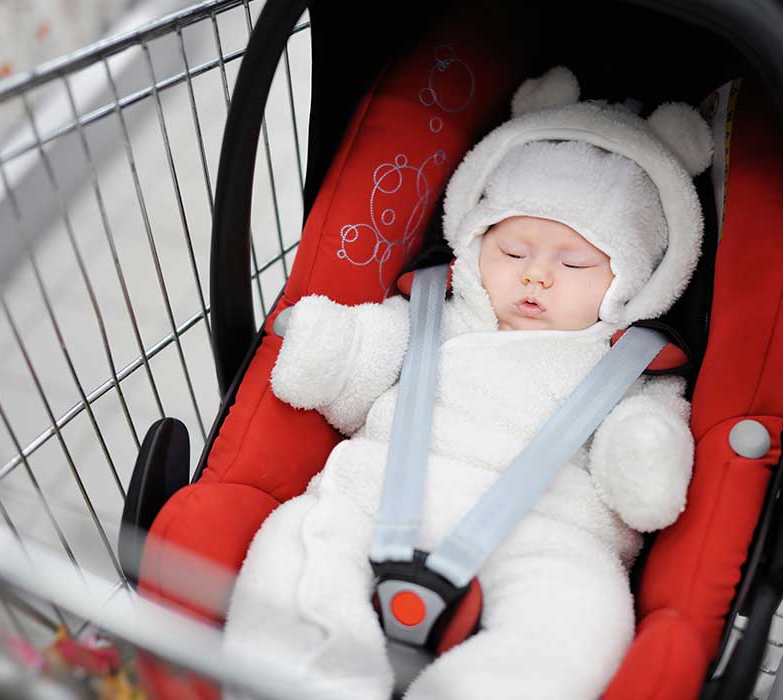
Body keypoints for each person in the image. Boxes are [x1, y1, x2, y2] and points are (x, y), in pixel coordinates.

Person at [222, 66, 713, 700]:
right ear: (475, 241)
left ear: (638, 277)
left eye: (575, 263)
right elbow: (370, 362)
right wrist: (336, 349)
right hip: (379, 495)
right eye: (512, 252)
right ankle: (309, 679)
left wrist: (644, 451)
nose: (536, 276)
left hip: (547, 534)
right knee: (297, 540)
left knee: (580, 616)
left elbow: (642, 455)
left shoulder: (629, 368)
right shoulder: (433, 314)